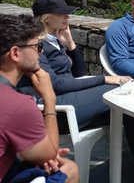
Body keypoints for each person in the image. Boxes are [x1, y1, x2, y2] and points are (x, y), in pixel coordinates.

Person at [17, 0, 134, 183]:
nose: (67, 17)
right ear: (46, 17)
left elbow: (78, 73)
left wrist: (70, 45)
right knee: (122, 93)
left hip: (68, 99)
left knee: (129, 110)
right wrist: (105, 79)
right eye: (62, 14)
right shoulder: (35, 45)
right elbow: (56, 84)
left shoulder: (55, 39)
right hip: (53, 110)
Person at [0, 14, 79, 183]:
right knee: (69, 168)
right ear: (15, 53)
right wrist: (49, 97)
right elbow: (49, 155)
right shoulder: (18, 105)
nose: (40, 53)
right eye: (37, 46)